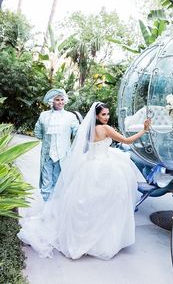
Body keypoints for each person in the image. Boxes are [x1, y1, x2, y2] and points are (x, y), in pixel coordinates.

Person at [18, 102, 151, 260]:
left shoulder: (88, 129)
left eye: (108, 114)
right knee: (108, 202)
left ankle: (88, 237)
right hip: (105, 167)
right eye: (103, 114)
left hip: (89, 166)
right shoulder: (106, 129)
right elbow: (127, 141)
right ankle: (102, 240)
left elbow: (86, 149)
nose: (107, 117)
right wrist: (144, 130)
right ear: (96, 115)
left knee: (87, 202)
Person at [34, 88, 80, 201]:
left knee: (59, 183)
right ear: (51, 102)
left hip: (63, 156)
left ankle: (54, 209)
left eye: (62, 99)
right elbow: (37, 132)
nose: (60, 102)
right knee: (46, 183)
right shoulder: (43, 115)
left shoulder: (70, 116)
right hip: (47, 155)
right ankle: (46, 209)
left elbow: (77, 133)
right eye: (57, 100)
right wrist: (46, 141)